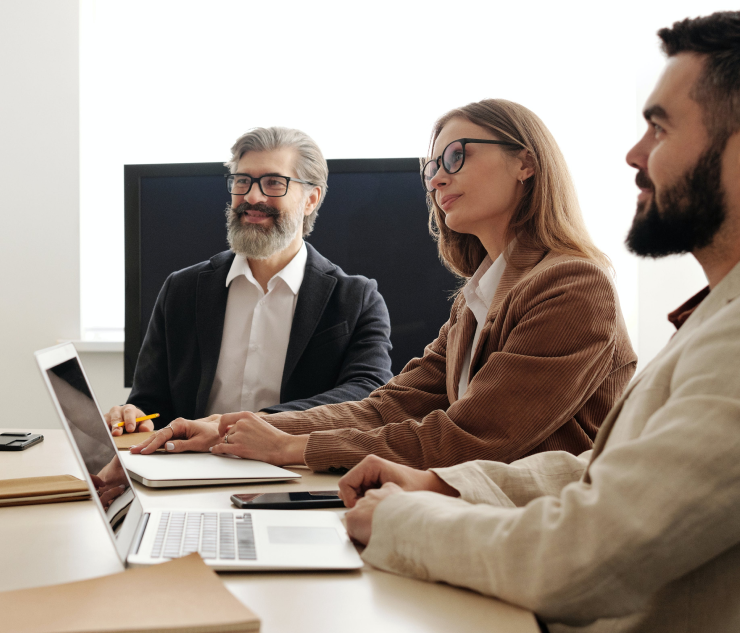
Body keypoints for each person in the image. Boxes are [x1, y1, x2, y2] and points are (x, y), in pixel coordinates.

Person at [336, 11, 740, 632]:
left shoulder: (584, 287)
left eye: (659, 128)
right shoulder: (717, 313)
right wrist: (445, 487)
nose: (634, 153)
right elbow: (601, 470)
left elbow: (587, 554)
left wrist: (402, 519)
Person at [136, 100, 636, 469]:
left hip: (538, 533)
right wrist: (229, 428)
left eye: (456, 157)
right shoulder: (478, 295)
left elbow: (475, 436)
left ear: (526, 162)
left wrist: (294, 446)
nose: (437, 179)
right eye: (433, 166)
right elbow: (392, 405)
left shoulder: (574, 285)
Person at [107, 127, 393, 439]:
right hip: (190, 473)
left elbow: (367, 393)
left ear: (311, 199)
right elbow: (150, 402)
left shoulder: (357, 298)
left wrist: (253, 423)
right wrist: (134, 415)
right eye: (243, 181)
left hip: (296, 470)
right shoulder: (182, 289)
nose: (252, 197)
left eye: (273, 182)